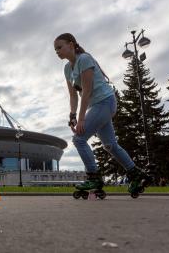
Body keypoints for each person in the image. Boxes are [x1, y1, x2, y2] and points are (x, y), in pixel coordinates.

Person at [53, 33, 152, 196]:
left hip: (105, 102)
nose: (57, 51)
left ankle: (94, 177)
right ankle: (136, 174)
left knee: (79, 139)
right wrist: (72, 116)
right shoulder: (66, 69)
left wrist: (81, 119)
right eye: (55, 49)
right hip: (96, 106)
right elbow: (73, 95)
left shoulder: (84, 59)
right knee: (110, 145)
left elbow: (87, 91)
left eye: (59, 47)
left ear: (71, 45)